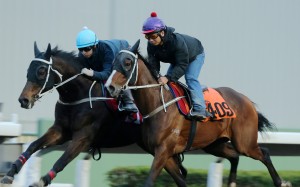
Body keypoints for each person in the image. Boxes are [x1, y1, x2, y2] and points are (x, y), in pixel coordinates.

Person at [142, 12, 212, 120]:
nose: (150, 40)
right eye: (147, 36)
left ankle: (200, 109)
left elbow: (182, 64)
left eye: (153, 36)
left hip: (195, 55)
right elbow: (153, 63)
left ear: (162, 33)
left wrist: (168, 77)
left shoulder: (177, 42)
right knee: (168, 81)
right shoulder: (151, 45)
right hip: (177, 59)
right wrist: (156, 76)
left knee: (190, 78)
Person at [76, 27, 138, 113]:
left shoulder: (107, 50)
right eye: (80, 49)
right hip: (104, 63)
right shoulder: (83, 54)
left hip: (122, 52)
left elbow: (107, 74)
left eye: (87, 49)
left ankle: (129, 103)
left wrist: (91, 73)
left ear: (95, 45)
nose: (83, 52)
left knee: (116, 77)